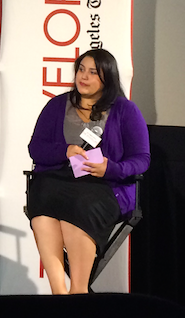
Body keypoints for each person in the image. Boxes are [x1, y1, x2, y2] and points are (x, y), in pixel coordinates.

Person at [27, 48, 150, 294]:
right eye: (81, 70)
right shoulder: (57, 105)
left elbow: (142, 159)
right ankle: (59, 293)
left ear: (108, 77)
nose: (84, 77)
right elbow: (36, 148)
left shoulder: (125, 110)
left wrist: (110, 168)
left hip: (104, 186)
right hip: (59, 180)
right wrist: (65, 151)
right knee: (41, 199)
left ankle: (79, 292)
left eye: (93, 72)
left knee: (81, 204)